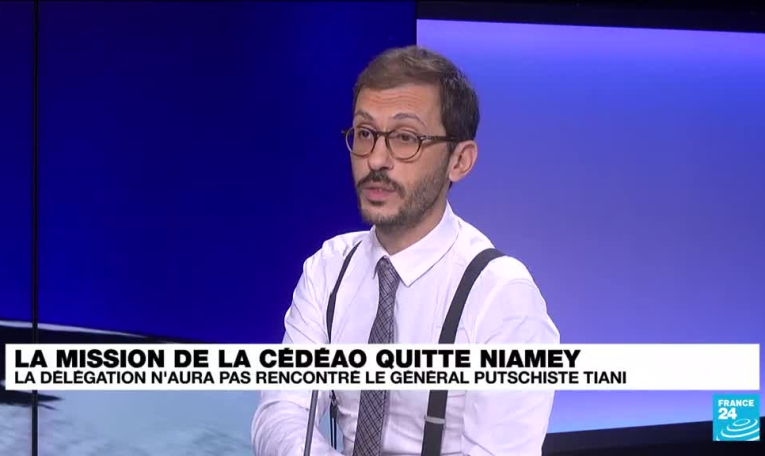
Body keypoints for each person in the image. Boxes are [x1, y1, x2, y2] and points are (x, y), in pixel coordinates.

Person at [251, 45, 559, 456]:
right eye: (365, 133)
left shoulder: (501, 298)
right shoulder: (328, 269)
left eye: (405, 138)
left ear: (460, 161)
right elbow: (281, 412)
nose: (376, 159)